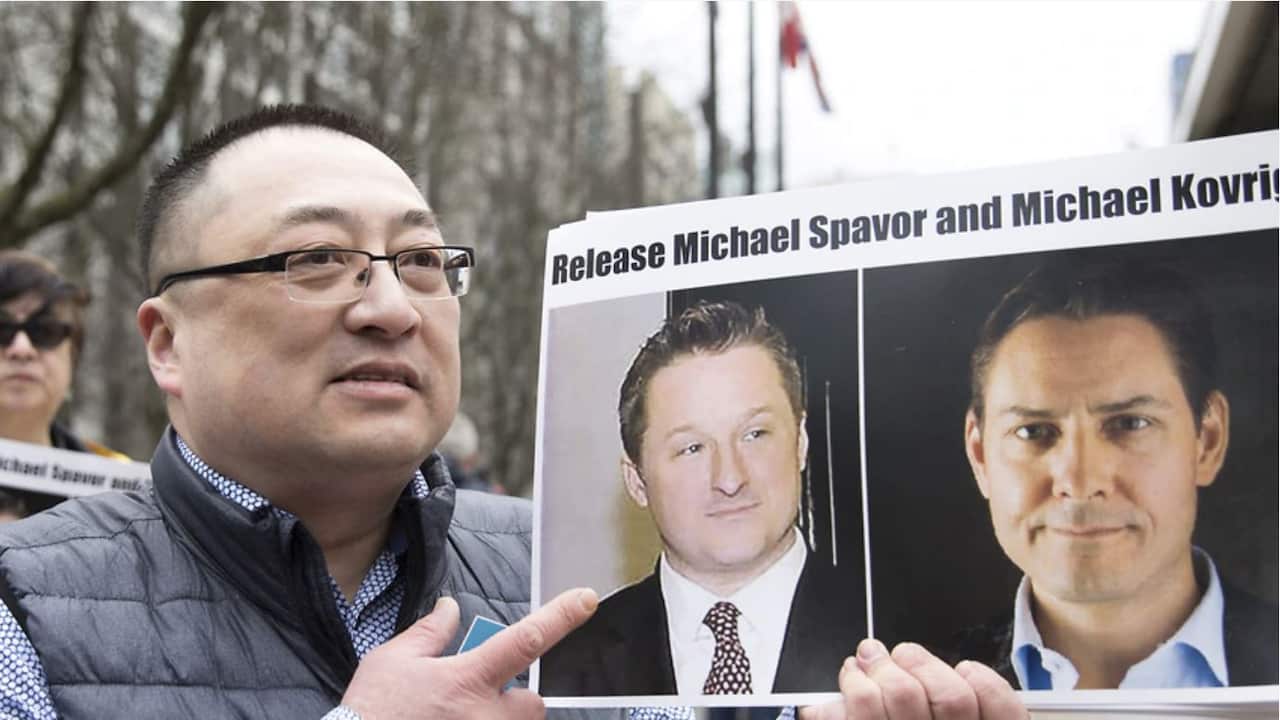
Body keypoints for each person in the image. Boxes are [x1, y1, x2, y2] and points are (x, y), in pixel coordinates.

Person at [0, 103, 1024, 720]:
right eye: (315, 260)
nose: (393, 308)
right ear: (166, 342)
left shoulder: (566, 590)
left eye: (420, 262)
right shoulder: (28, 615)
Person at [958, 259, 1278, 690]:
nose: (1079, 481)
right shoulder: (905, 703)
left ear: (1208, 439)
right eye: (1033, 431)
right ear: (980, 455)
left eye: (1130, 423)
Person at [544, 301, 865, 696]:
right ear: (637, 480)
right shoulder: (559, 670)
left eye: (755, 434)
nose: (730, 479)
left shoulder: (916, 644)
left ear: (800, 443)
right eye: (692, 448)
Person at [0, 250, 127, 459]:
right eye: (2, 329)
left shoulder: (122, 483)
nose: (22, 349)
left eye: (45, 331)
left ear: (73, 357)